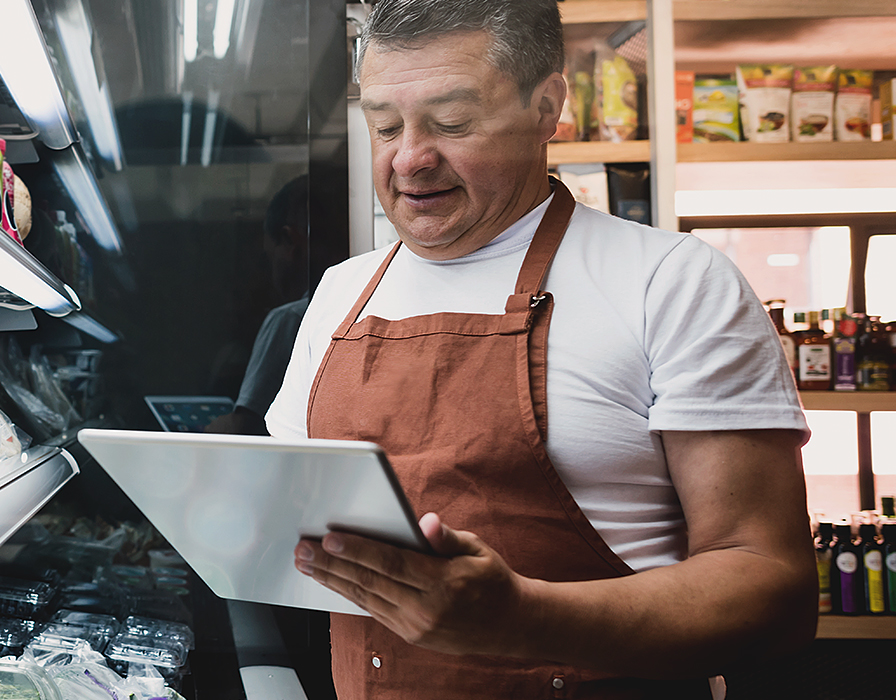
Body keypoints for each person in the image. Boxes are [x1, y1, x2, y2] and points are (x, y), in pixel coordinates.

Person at [263, 1, 816, 697]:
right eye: (384, 125)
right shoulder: (341, 296)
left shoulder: (672, 282)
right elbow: (283, 529)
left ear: (546, 106)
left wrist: (523, 619)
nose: (409, 157)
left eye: (452, 122)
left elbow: (773, 588)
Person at [209, 175, 311, 436]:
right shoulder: (351, 306)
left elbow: (246, 427)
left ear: (289, 242)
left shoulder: (290, 319)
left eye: (269, 256)